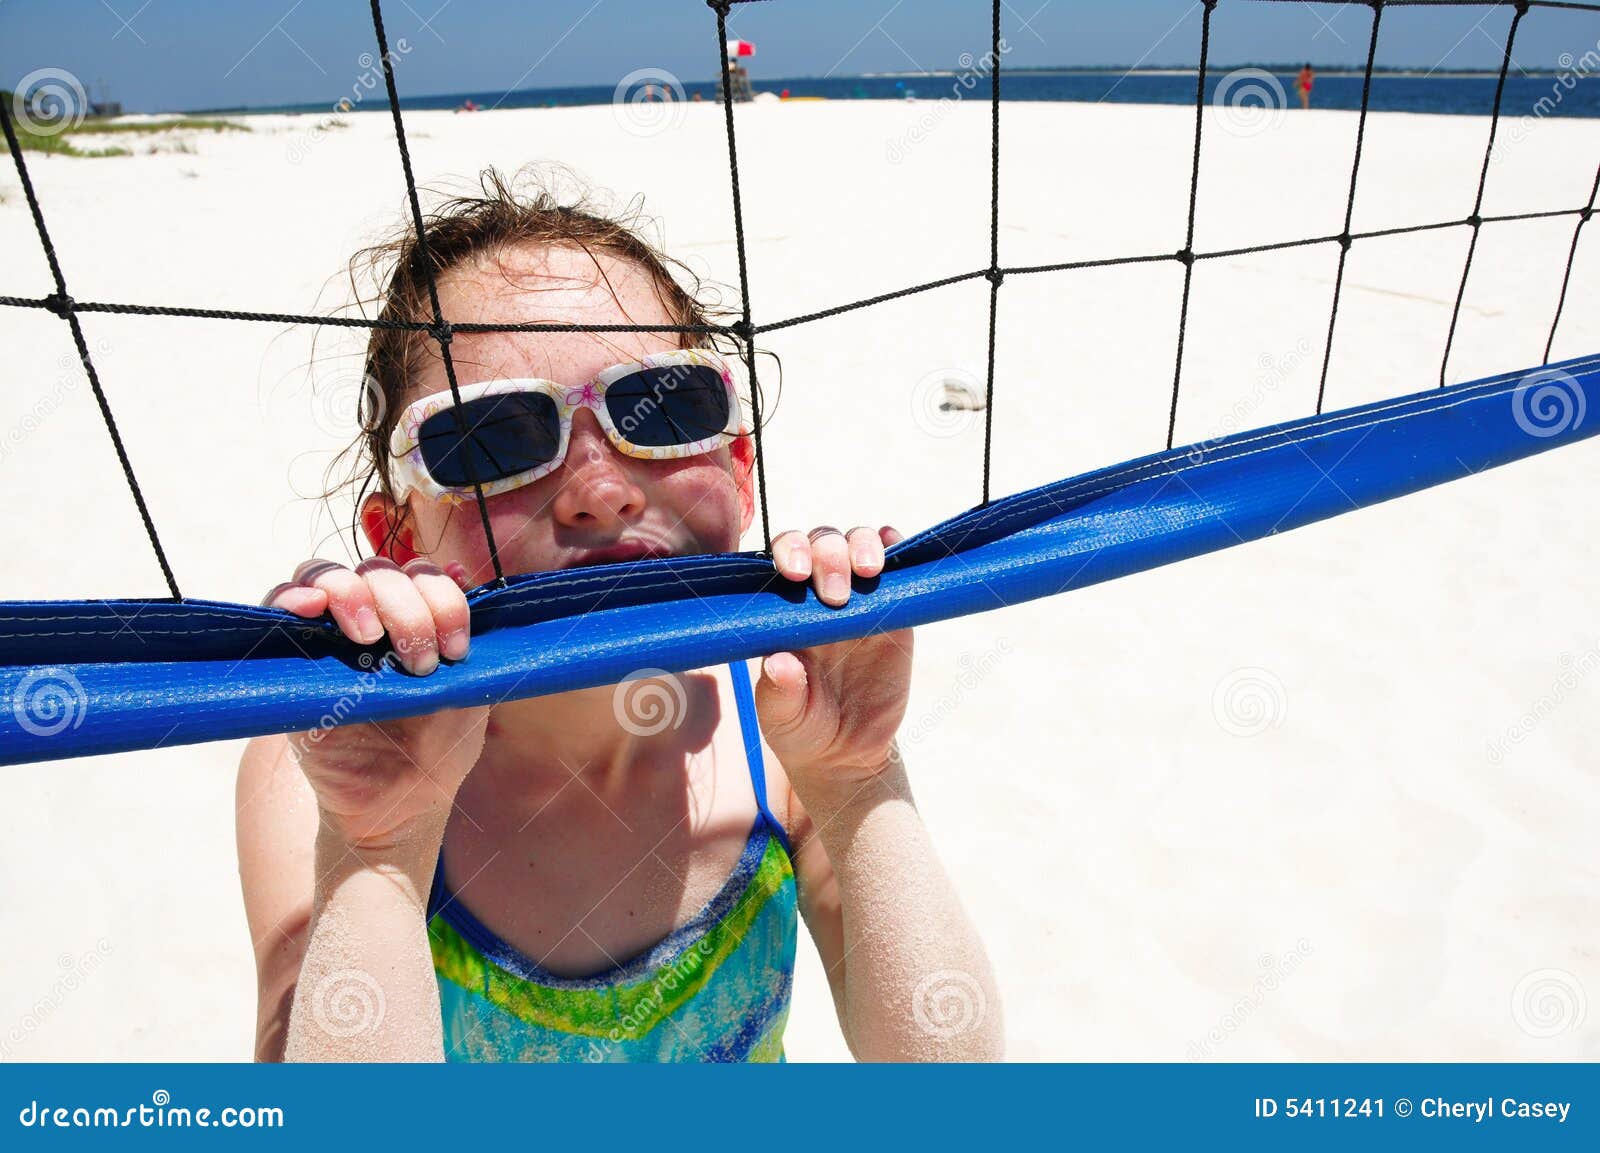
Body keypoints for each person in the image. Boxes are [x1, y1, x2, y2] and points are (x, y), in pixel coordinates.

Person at [236, 169, 1002, 1063]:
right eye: (494, 439)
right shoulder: (320, 761)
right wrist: (378, 845)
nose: (599, 491)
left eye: (664, 407)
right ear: (398, 532)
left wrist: (861, 777)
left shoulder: (784, 736)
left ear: (740, 465)